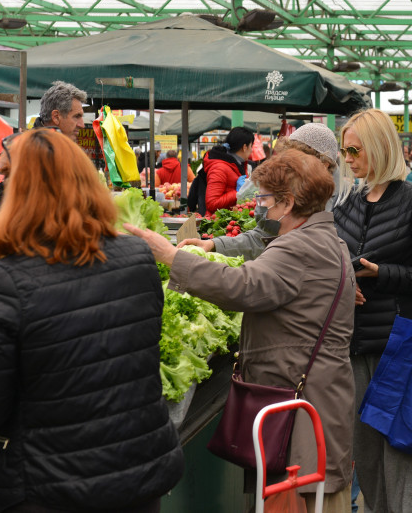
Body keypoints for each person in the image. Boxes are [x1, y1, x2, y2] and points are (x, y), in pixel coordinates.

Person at [0, 129, 184, 512]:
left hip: (52, 486)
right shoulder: (136, 256)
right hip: (140, 472)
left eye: (5, 175)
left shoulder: (4, 281)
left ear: (23, 189)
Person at [126, 150, 355, 512]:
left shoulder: (298, 247)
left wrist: (171, 257)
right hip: (313, 396)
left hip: (303, 406)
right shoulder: (326, 239)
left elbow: (242, 287)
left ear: (288, 202)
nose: (259, 207)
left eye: (263, 198)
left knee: (299, 500)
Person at [332, 109, 412, 513]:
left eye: (355, 150)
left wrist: (383, 273)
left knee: (399, 452)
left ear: (380, 148)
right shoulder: (348, 203)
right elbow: (334, 259)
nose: (347, 159)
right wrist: (346, 282)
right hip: (354, 343)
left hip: (400, 347)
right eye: (344, 150)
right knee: (364, 454)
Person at [180, 122, 352, 261]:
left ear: (324, 164)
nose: (289, 166)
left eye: (297, 160)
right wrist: (213, 245)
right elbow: (262, 237)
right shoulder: (294, 191)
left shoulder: (345, 204)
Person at [199, 126, 255, 213]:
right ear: (244, 147)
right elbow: (211, 203)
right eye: (251, 146)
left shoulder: (238, 164)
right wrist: (237, 192)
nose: (252, 150)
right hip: (218, 223)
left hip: (231, 220)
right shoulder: (219, 168)